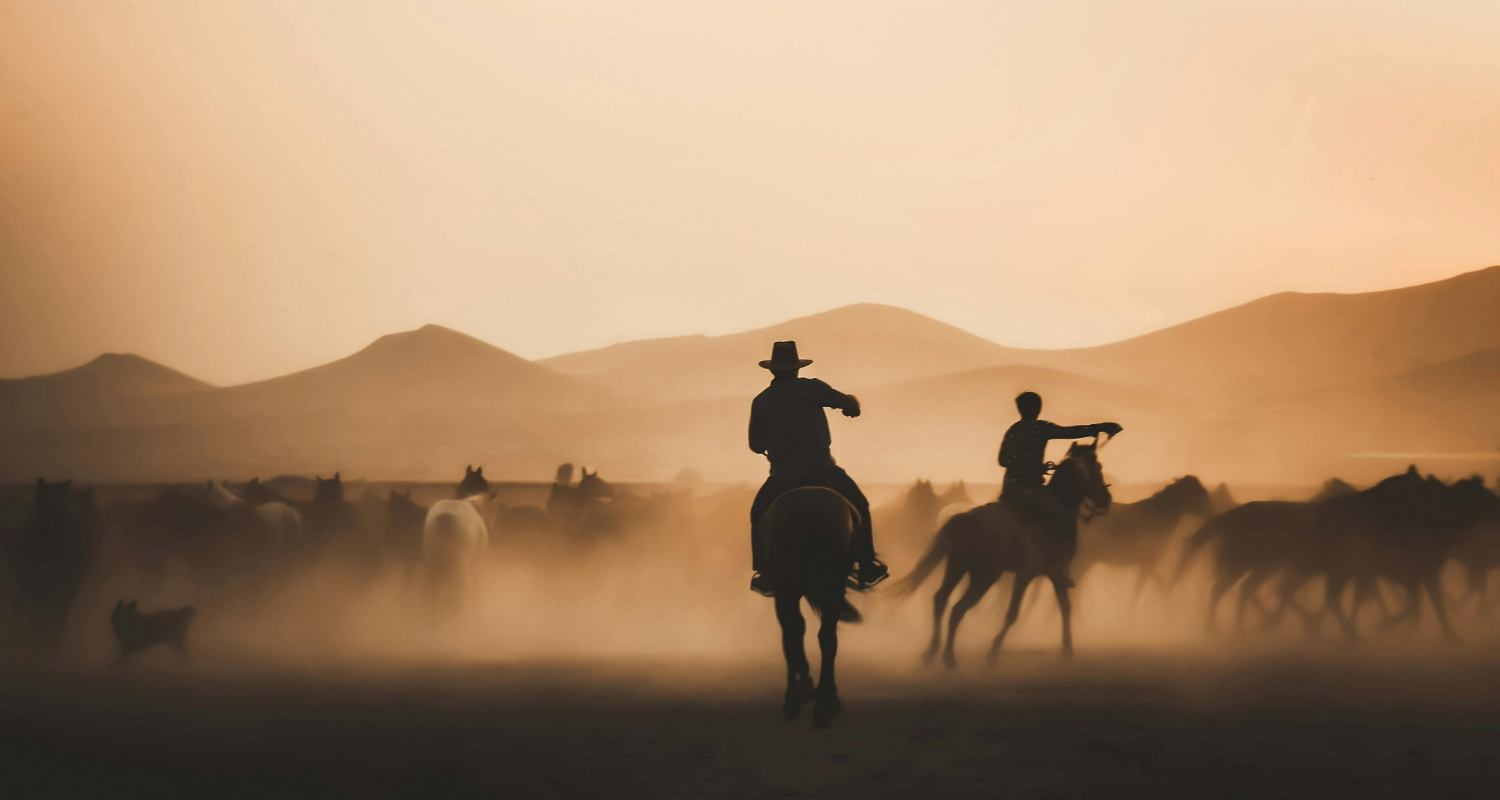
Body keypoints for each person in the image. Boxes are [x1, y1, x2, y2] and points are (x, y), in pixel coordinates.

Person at [748, 341, 887, 596]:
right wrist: (852, 405)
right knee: (860, 504)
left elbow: (755, 445)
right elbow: (846, 402)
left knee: (757, 514)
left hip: (782, 476)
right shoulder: (812, 388)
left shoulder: (762, 401)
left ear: (773, 371)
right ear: (797, 368)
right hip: (822, 470)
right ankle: (867, 565)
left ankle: (764, 572)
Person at [999, 391, 1121, 536]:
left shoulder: (1012, 430)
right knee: (1062, 518)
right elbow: (1069, 432)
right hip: (1030, 490)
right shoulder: (1040, 427)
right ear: (1037, 408)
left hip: (1008, 491)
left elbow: (1002, 460)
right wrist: (1101, 427)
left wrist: (1035, 467)